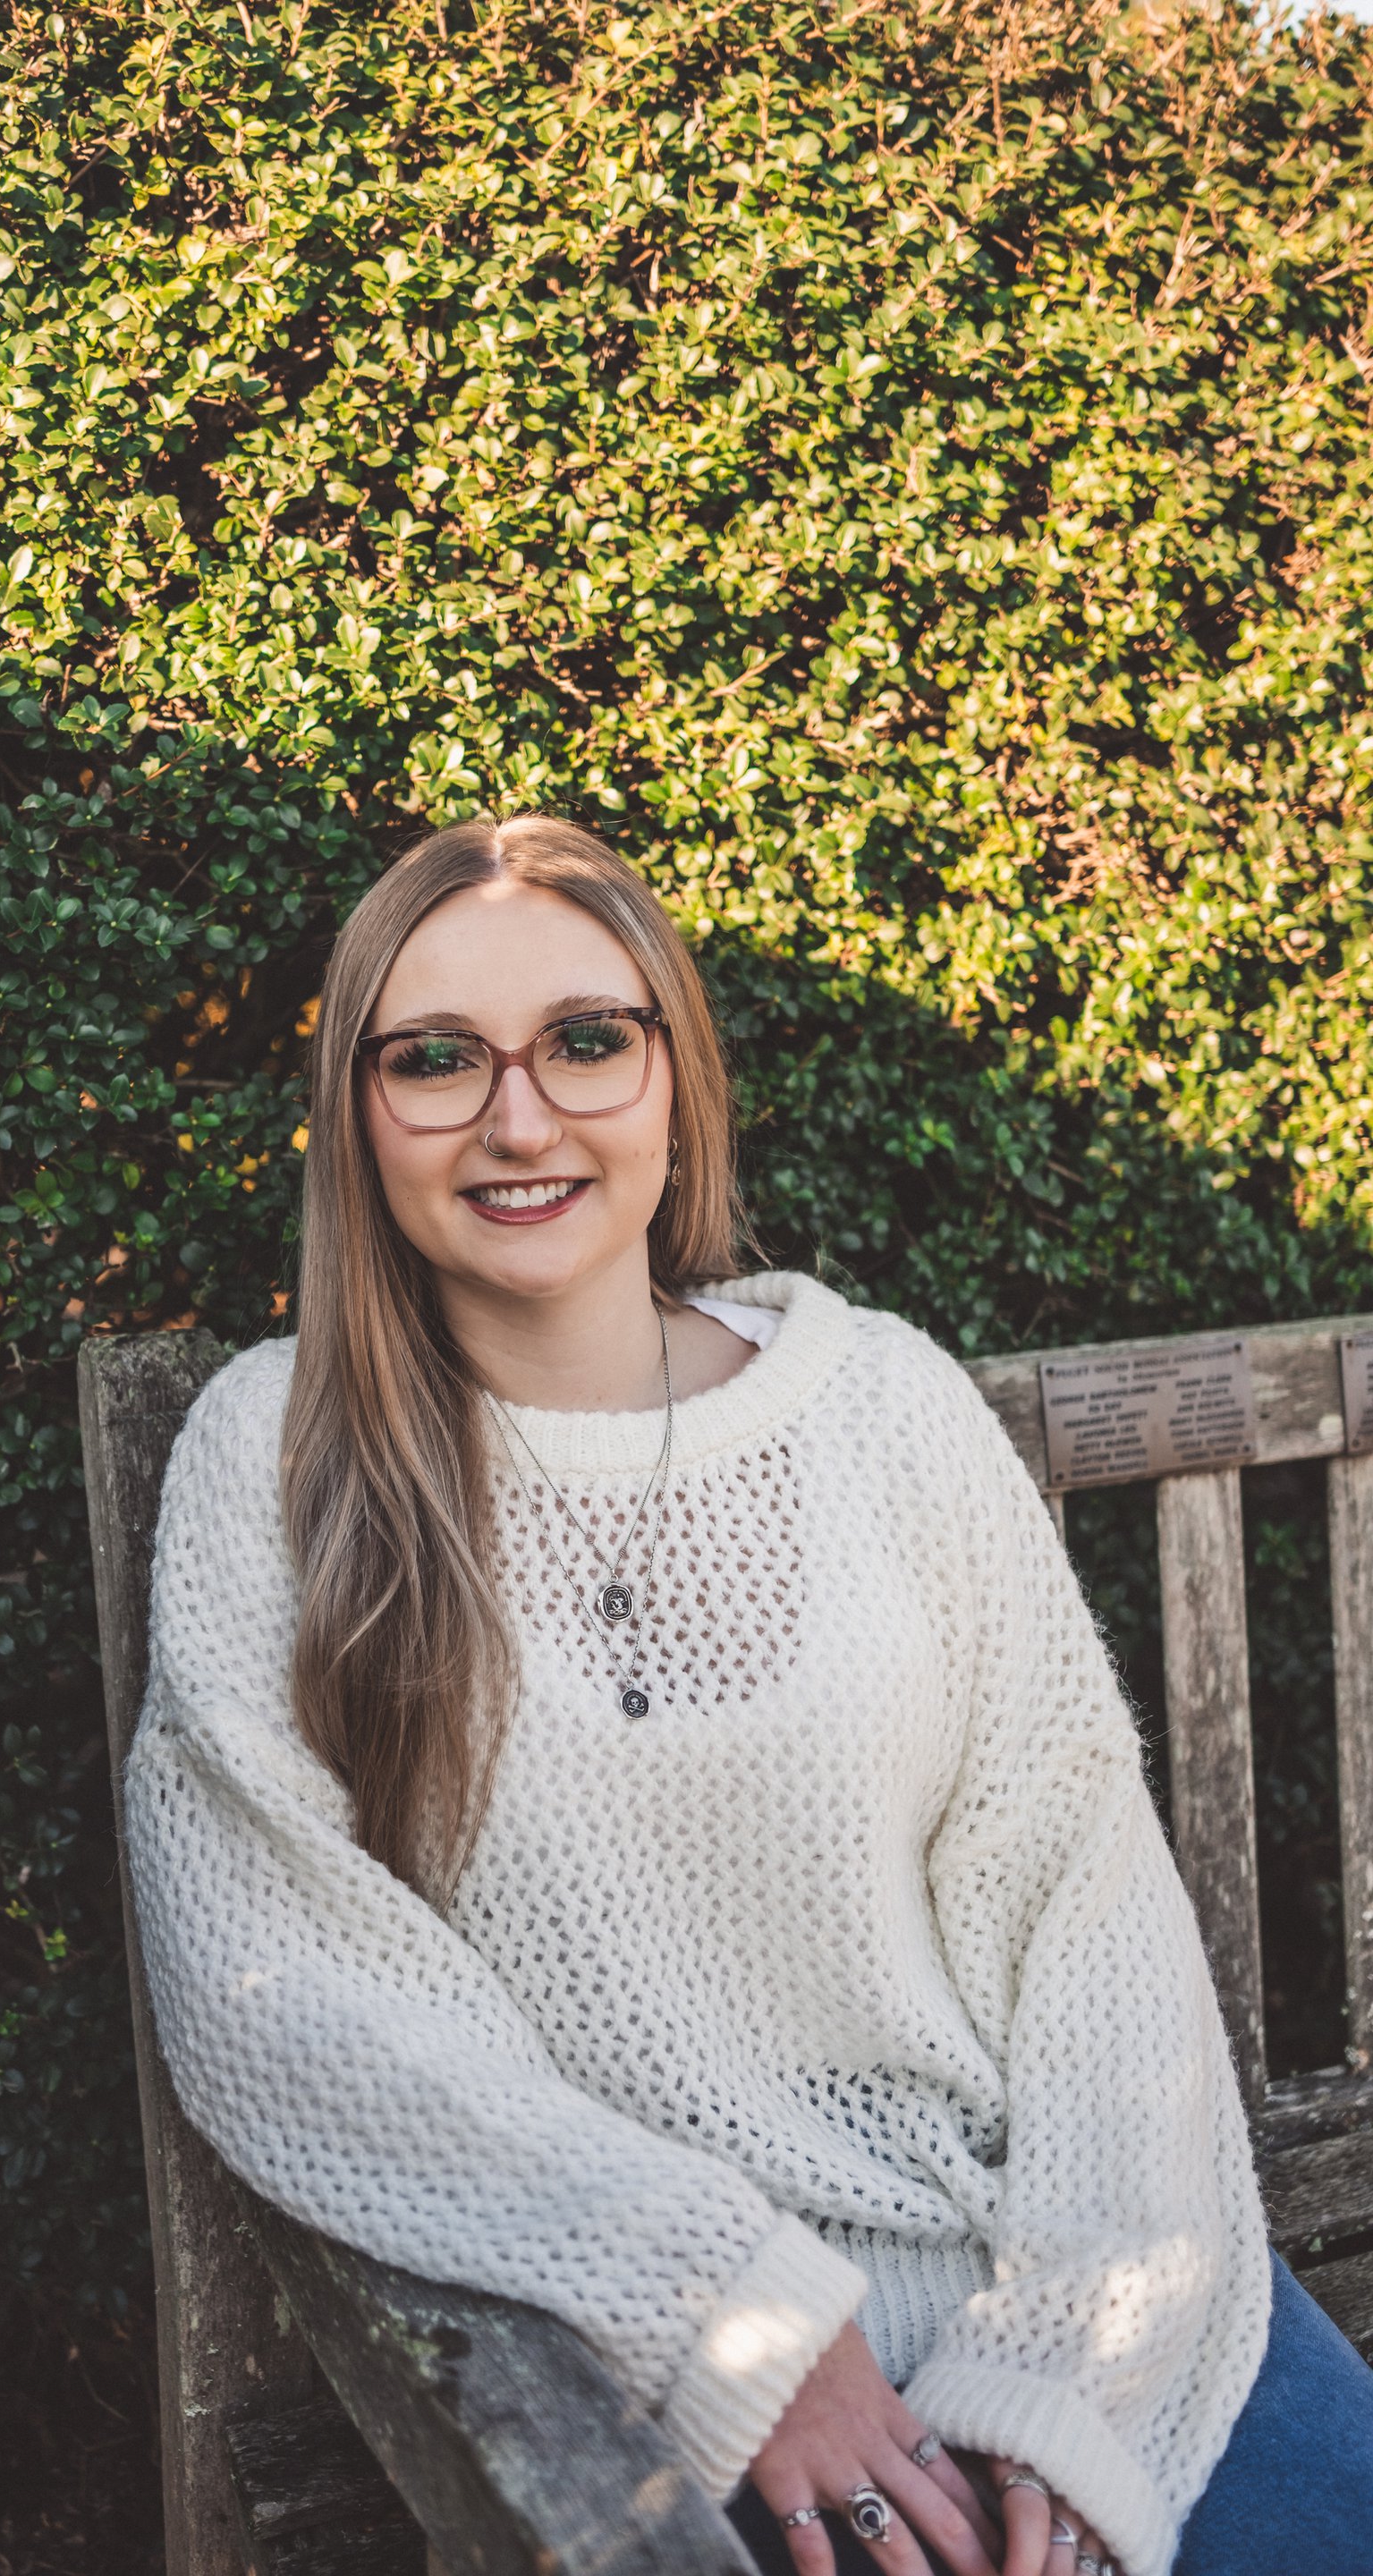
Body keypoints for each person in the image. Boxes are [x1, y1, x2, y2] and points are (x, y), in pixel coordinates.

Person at [123, 815, 1373, 2576]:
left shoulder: (887, 1407)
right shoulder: (281, 1453)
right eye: (436, 1059)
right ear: (355, 1109)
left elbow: (1085, 1904)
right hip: (643, 2358)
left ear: (675, 1075)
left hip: (1068, 2286)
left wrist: (1074, 2369)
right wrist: (734, 2319)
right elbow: (287, 1996)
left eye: (585, 1039)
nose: (520, 1120)